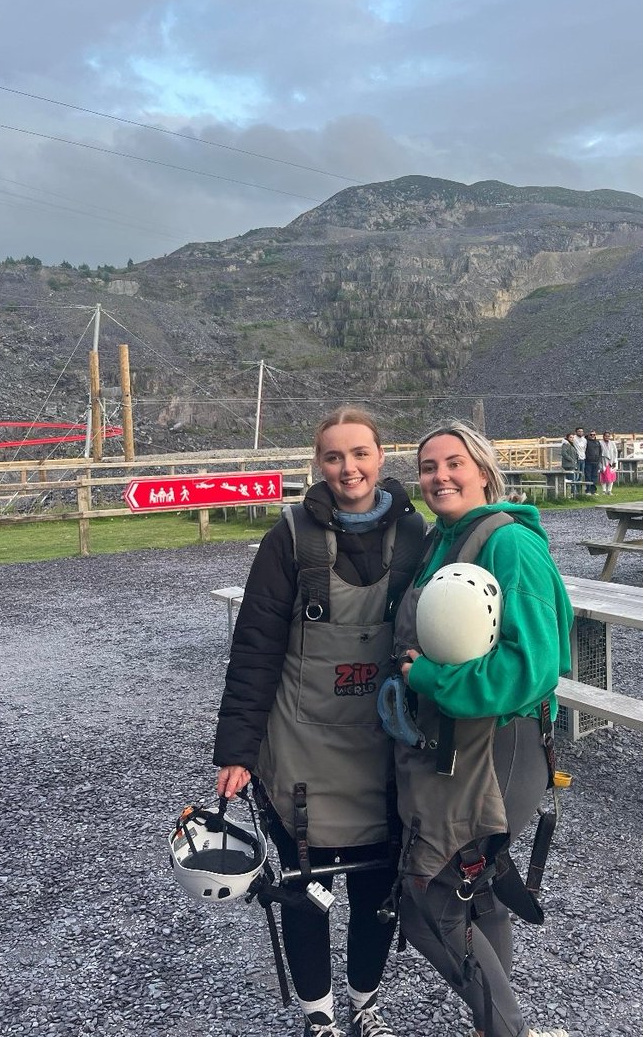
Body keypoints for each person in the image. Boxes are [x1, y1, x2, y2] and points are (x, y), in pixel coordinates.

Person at [213, 407, 426, 1037]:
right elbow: (255, 649)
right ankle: (320, 1017)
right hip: (299, 748)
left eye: (359, 453)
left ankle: (366, 1003)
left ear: (381, 456)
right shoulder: (290, 538)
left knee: (378, 888)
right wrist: (237, 751)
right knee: (303, 887)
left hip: (384, 748)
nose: (348, 468)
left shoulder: (415, 535)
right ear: (318, 463)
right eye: (333, 457)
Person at [392, 420, 573, 1037]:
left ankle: (508, 1031)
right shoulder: (442, 542)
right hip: (458, 746)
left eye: (454, 464)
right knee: (481, 885)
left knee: (430, 897)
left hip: (502, 744)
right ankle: (495, 1026)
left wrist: (429, 680)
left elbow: (533, 666)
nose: (439, 476)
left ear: (484, 472)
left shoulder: (510, 544)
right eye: (428, 467)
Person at [598, 430, 619, 495]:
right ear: (603, 436)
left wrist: (615, 460)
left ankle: (609, 490)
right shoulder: (600, 443)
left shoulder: (612, 443)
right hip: (603, 461)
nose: (607, 437)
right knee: (603, 475)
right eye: (606, 436)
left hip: (611, 461)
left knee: (611, 476)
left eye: (608, 436)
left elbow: (615, 452)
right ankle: (604, 490)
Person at [583, 429, 602, 495]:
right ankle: (588, 490)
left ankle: (593, 490)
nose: (592, 436)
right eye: (591, 434)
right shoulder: (586, 442)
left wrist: (599, 459)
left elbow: (600, 451)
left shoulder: (597, 442)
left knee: (594, 476)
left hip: (596, 462)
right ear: (588, 435)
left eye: (594, 435)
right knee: (588, 476)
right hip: (588, 462)